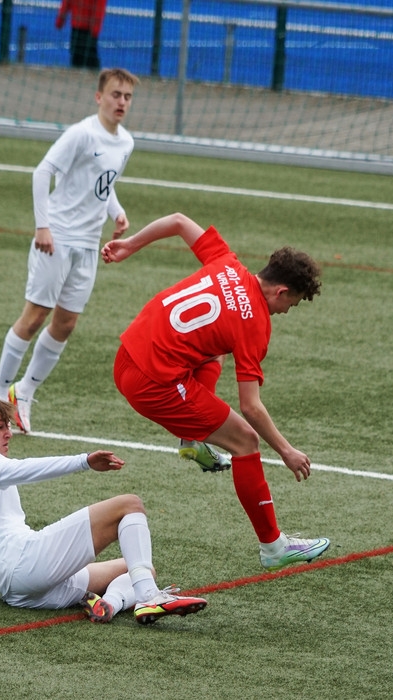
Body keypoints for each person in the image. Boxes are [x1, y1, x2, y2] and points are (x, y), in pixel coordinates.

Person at [101, 213, 332, 571]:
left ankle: (192, 440)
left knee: (215, 348)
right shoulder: (255, 324)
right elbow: (250, 407)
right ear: (281, 291)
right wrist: (286, 450)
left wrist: (130, 245)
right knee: (245, 441)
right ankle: (273, 546)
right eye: (293, 303)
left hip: (128, 354)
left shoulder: (227, 262)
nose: (288, 311)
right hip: (154, 383)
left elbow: (179, 221)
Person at [0, 393, 207, 625]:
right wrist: (84, 461)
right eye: (0, 427)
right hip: (26, 563)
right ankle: (149, 598)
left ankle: (110, 604)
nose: (8, 433)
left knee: (140, 570)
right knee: (129, 504)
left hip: (19, 593)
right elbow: (19, 470)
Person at [0, 68, 138, 434]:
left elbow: (104, 184)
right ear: (99, 97)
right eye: (115, 94)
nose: (121, 102)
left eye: (127, 97)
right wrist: (43, 226)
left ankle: (24, 392)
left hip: (88, 245)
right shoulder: (81, 134)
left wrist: (116, 212)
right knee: (34, 317)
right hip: (57, 237)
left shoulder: (126, 142)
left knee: (66, 323)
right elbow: (42, 172)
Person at [55, 0, 108, 69]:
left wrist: (60, 21)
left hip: (77, 27)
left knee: (77, 59)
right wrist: (95, 29)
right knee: (90, 60)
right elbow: (99, 7)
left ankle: (77, 74)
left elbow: (66, 3)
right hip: (88, 29)